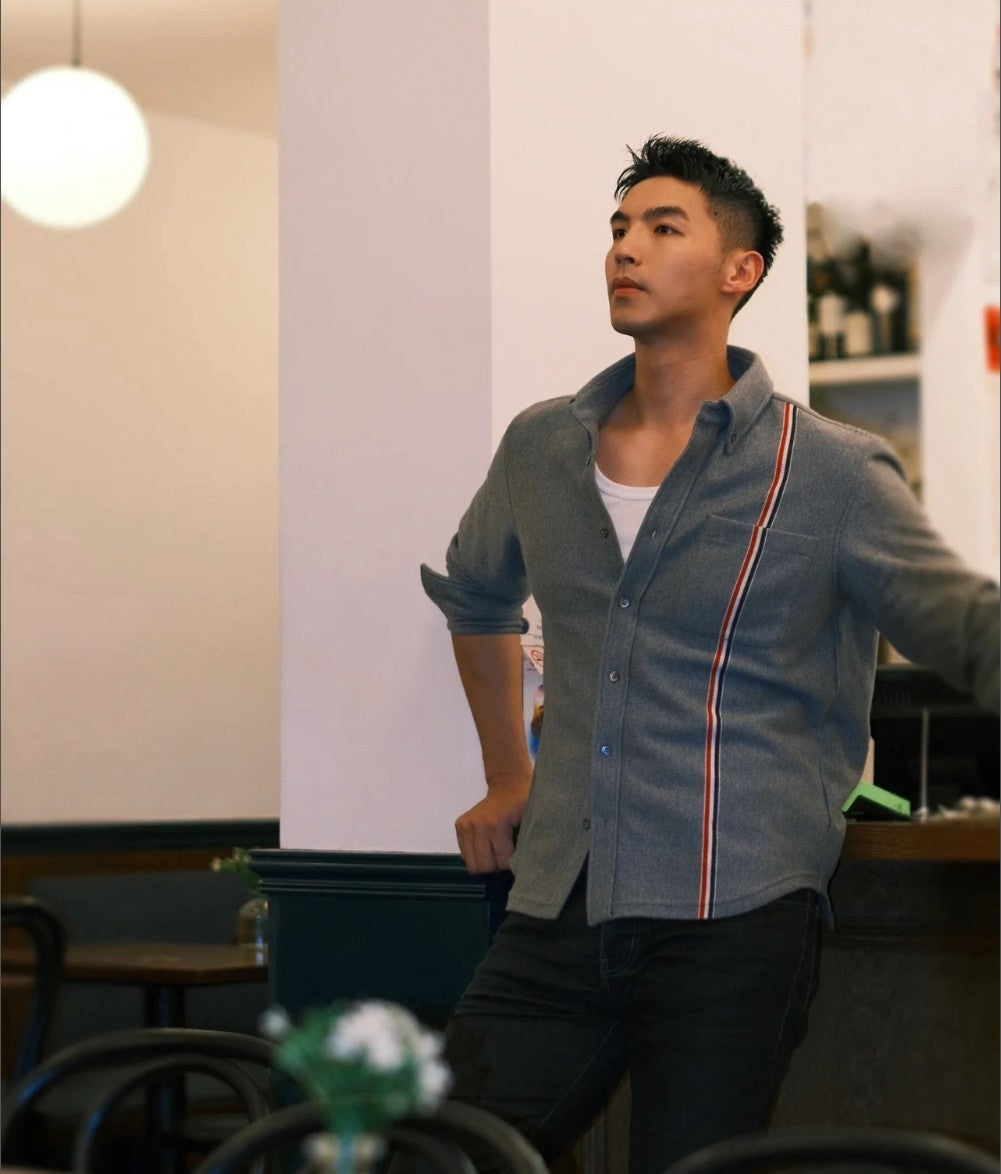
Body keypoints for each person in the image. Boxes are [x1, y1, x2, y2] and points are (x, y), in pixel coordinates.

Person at [420, 135, 1000, 1172]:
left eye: (661, 227)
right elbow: (474, 592)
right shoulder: (541, 446)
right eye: (617, 228)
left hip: (735, 913)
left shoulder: (829, 471)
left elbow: (966, 628)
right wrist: (510, 772)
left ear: (740, 270)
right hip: (560, 897)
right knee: (439, 1151)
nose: (624, 248)